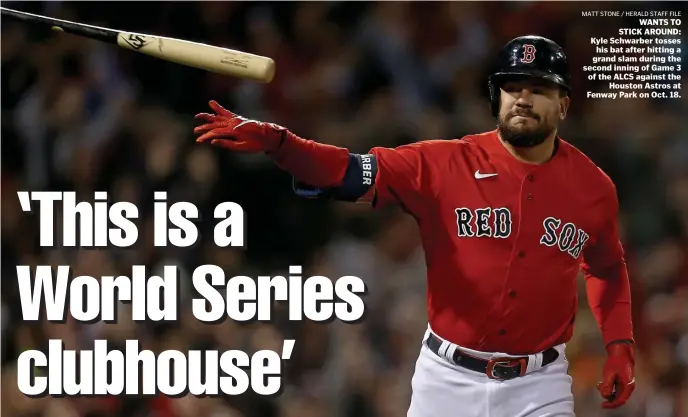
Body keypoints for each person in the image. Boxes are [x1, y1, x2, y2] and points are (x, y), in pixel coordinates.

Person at [193, 35, 635, 417]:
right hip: (447, 381)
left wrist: (619, 344)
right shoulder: (444, 163)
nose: (521, 98)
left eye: (537, 88)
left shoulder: (594, 188)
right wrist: (281, 143)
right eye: (511, 87)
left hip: (539, 386)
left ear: (563, 104)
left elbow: (607, 269)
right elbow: (348, 170)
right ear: (495, 98)